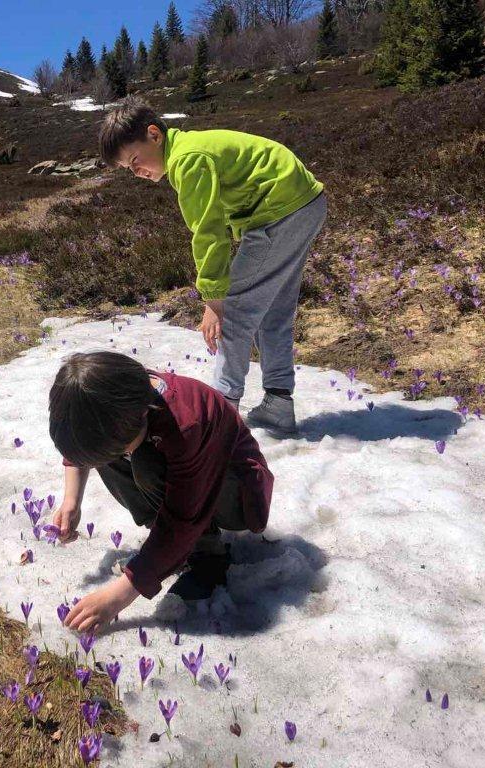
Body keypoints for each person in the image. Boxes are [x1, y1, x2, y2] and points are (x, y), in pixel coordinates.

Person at [98, 97, 327, 437]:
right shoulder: (189, 149)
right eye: (127, 169)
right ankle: (278, 405)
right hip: (301, 204)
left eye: (135, 161)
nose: (137, 172)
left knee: (233, 312)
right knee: (273, 313)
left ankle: (221, 413)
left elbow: (208, 232)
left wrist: (214, 300)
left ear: (154, 135)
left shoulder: (187, 159)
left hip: (279, 212)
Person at [48, 351, 273, 634]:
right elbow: (84, 442)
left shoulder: (185, 425)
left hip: (237, 493)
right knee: (109, 452)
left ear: (143, 413)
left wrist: (118, 596)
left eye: (121, 447)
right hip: (186, 484)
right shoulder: (117, 394)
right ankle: (169, 551)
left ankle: (207, 556)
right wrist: (72, 501)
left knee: (145, 463)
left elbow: (181, 519)